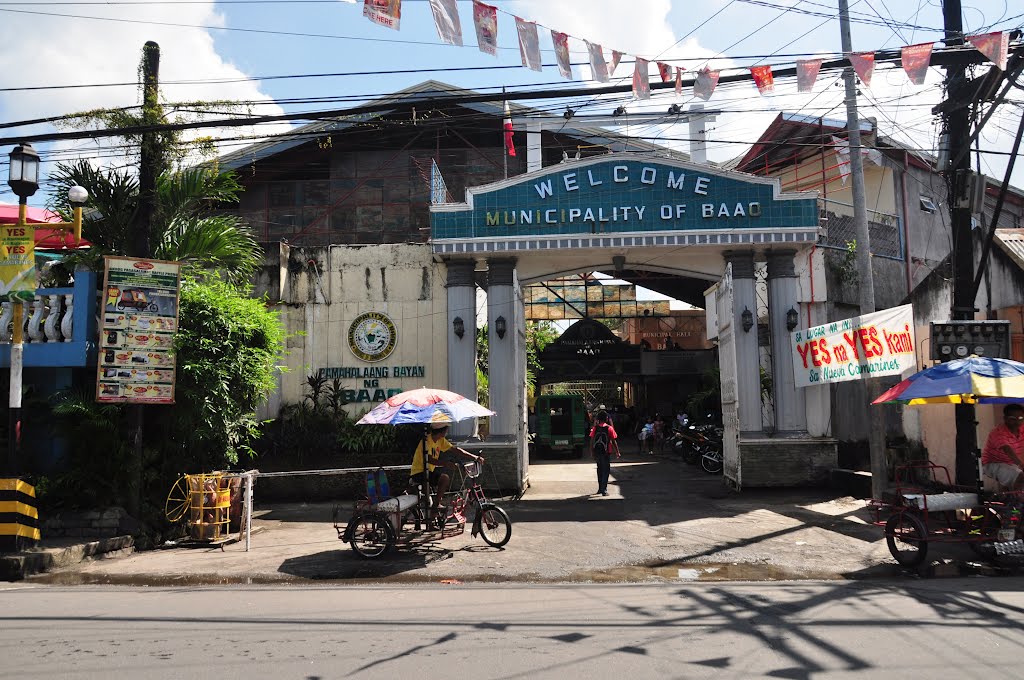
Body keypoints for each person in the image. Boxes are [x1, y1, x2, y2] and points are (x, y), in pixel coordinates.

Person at [409, 423, 484, 513]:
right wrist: (446, 464)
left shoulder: (440, 440)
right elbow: (429, 459)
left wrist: (474, 457)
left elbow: (455, 449)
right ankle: (436, 506)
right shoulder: (427, 440)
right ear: (441, 431)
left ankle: (434, 513)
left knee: (440, 484)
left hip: (428, 472)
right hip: (419, 472)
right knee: (444, 478)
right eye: (446, 430)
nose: (447, 432)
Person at [982, 404, 1024, 491]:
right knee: (1020, 475)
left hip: (1011, 463)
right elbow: (1007, 449)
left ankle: (1009, 497)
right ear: (1005, 418)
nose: (1017, 422)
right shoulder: (998, 432)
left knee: (1016, 475)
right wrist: (1021, 465)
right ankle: (1017, 500)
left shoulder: (1022, 429)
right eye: (1012, 419)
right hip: (992, 464)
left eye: (1020, 418)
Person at [589, 410, 620, 496]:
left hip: (597, 452)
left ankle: (600, 488)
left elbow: (591, 441)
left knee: (599, 469)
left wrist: (592, 451)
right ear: (606, 418)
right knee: (606, 470)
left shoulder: (595, 428)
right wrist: (617, 452)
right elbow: (613, 441)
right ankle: (604, 490)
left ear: (598, 419)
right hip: (606, 452)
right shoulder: (609, 428)